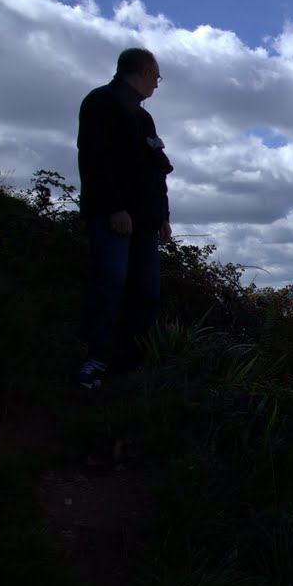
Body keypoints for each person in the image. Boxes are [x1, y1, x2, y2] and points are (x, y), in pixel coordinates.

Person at [76, 48, 173, 388]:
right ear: (145, 71)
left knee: (146, 293)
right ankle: (96, 359)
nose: (157, 85)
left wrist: (162, 216)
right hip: (113, 217)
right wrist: (115, 207)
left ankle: (130, 363)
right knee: (110, 284)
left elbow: (157, 170)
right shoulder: (101, 103)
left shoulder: (143, 117)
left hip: (145, 222)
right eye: (157, 77)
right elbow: (93, 160)